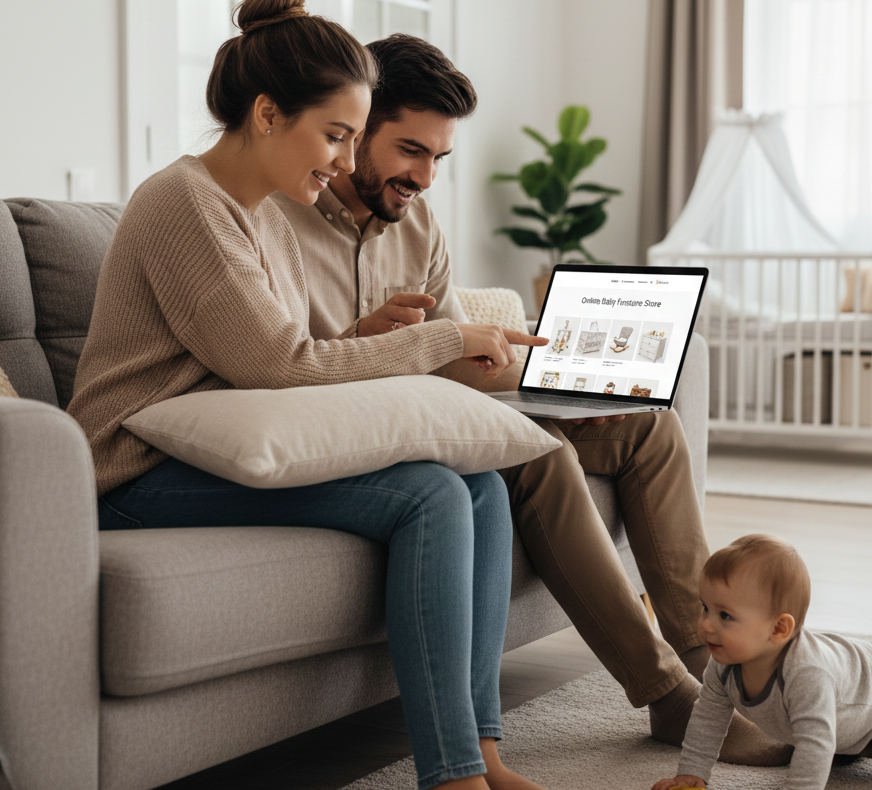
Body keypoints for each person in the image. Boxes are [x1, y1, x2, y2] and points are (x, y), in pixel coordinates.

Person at [67, 3, 551, 790]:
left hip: (220, 446)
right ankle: (453, 776)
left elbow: (288, 363)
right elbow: (278, 365)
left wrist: (388, 343)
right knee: (428, 494)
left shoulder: (270, 220)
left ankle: (485, 752)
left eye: (353, 139)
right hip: (134, 469)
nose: (344, 159)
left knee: (483, 488)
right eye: (335, 134)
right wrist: (441, 340)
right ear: (266, 115)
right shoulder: (185, 204)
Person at [272, 33, 791, 765]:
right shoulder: (278, 218)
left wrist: (556, 381)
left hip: (452, 414)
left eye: (437, 159)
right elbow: (288, 375)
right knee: (543, 458)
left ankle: (715, 675)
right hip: (374, 438)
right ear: (354, 128)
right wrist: (376, 345)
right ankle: (668, 696)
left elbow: (454, 355)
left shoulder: (415, 222)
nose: (423, 177)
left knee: (650, 428)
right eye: (408, 151)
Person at [652, 534, 872, 790]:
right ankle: (851, 741)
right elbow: (708, 717)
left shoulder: (806, 674)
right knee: (821, 745)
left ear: (779, 628)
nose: (706, 625)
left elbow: (814, 745)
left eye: (725, 616)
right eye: (705, 608)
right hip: (844, 712)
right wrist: (691, 774)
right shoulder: (724, 663)